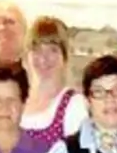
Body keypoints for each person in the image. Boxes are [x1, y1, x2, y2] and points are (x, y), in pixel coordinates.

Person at [21, 16, 88, 146]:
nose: (43, 58)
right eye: (36, 49)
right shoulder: (16, 102)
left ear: (65, 57)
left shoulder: (74, 106)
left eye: (53, 50)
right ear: (26, 56)